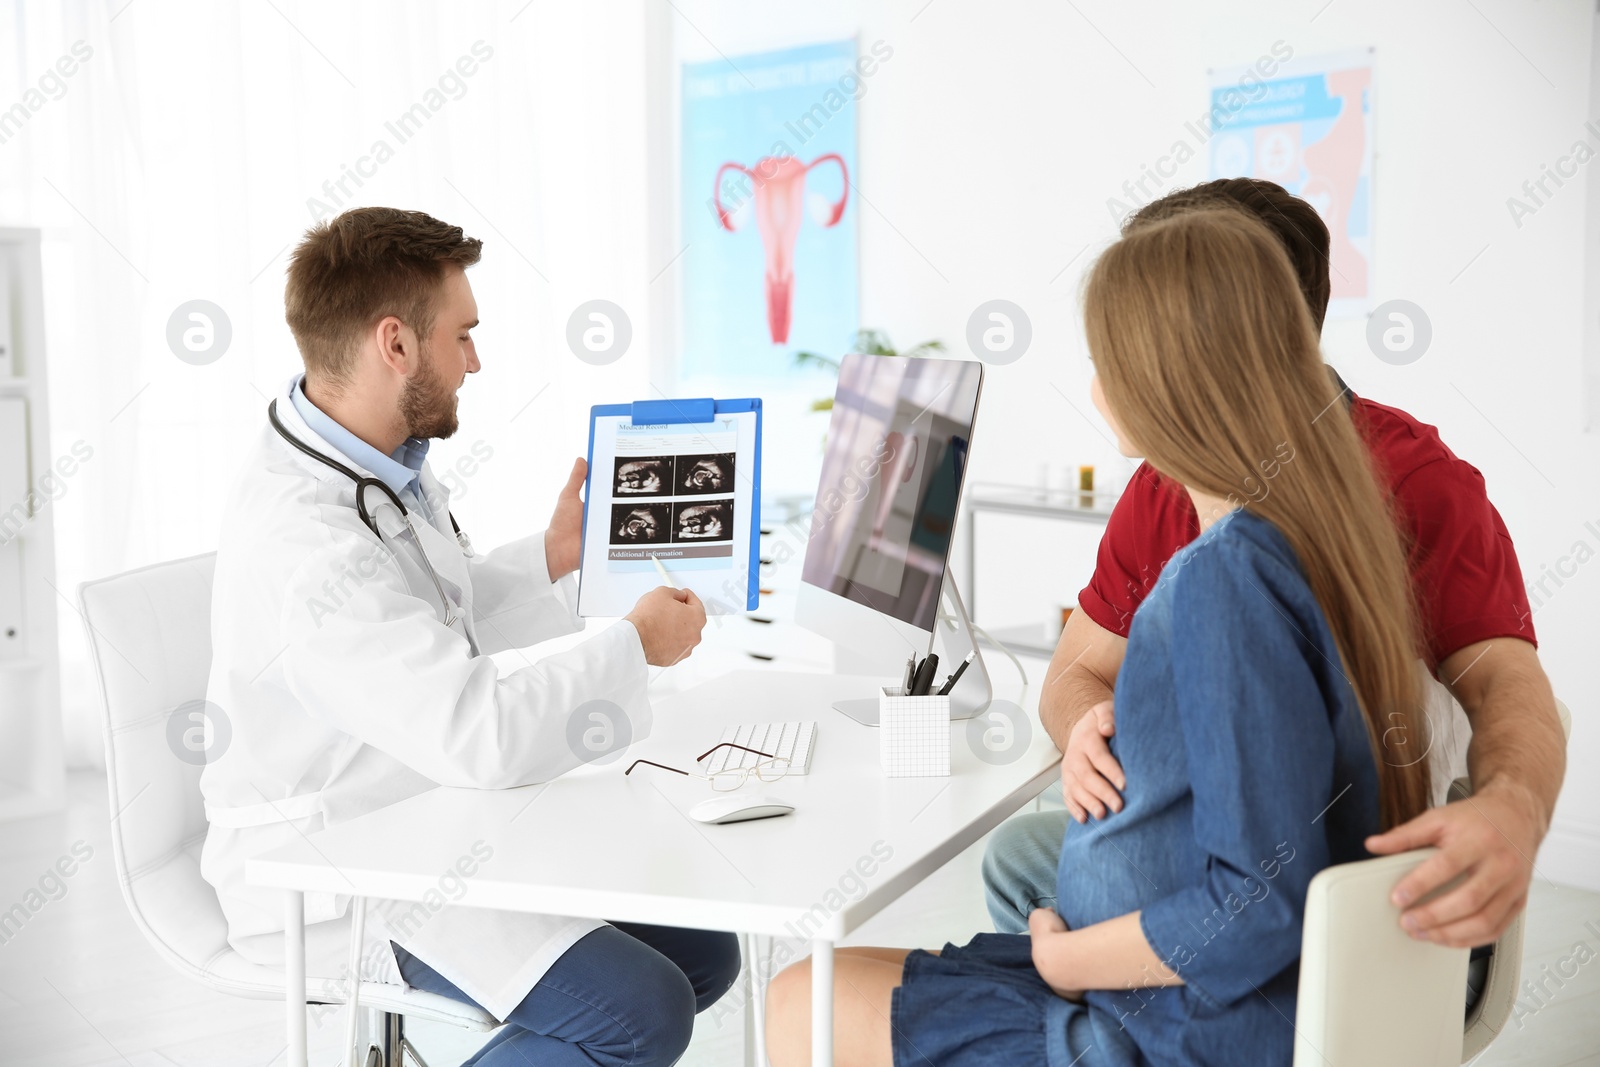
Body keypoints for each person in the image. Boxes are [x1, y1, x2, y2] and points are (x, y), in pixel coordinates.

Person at [765, 205, 1448, 1067]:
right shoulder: (1299, 540)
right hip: (1175, 999)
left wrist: (1062, 958)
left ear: (1164, 381)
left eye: (1102, 362)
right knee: (826, 976)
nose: (1094, 388)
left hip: (1174, 1028)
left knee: (799, 1001)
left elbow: (1262, 903)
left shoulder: (1222, 580)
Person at [200, 207, 738, 1067]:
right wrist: (635, 645)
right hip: (337, 865)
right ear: (396, 344)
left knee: (707, 949)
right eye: (465, 335)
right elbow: (472, 730)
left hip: (421, 814)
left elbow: (429, 617)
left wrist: (556, 558)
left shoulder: (376, 461)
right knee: (644, 1010)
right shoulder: (305, 543)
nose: (476, 361)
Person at [984, 178, 1564, 952]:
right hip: (1215, 853)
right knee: (1016, 860)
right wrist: (1082, 727)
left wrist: (1514, 806)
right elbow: (1075, 670)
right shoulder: (1163, 484)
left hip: (1335, 881)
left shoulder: (1415, 480)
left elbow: (1508, 683)